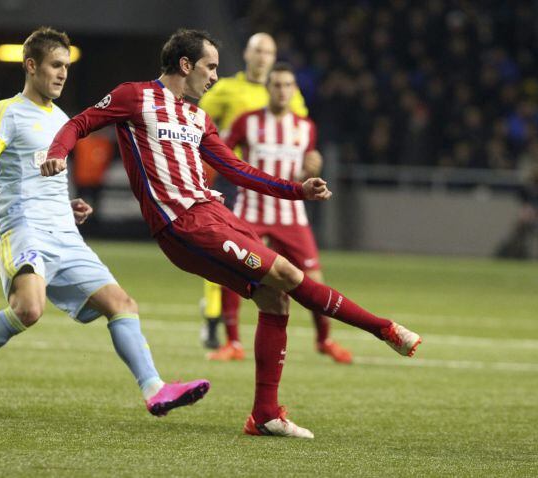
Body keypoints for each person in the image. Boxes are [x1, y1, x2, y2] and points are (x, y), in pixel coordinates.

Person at [41, 28, 421, 439]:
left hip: (216, 214)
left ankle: (265, 415)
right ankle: (383, 328)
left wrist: (296, 190)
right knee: (290, 276)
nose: (215, 76)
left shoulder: (198, 118)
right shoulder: (135, 96)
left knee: (275, 300)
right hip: (184, 224)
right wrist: (58, 153)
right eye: (210, 66)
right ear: (185, 65)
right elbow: (80, 123)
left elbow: (238, 169)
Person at [0, 27, 209, 417]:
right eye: (55, 65)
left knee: (122, 304)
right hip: (23, 229)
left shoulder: (62, 119)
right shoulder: (4, 112)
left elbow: (46, 176)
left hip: (64, 233)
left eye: (66, 66)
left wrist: (68, 204)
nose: (62, 74)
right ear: (31, 66)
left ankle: (155, 390)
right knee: (28, 309)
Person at [207, 63, 352, 364]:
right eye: (277, 85)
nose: (282, 90)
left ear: (294, 90)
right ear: (268, 88)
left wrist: (312, 167)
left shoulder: (305, 127)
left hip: (291, 216)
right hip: (251, 211)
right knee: (232, 272)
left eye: (288, 85)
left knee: (313, 277)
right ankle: (233, 342)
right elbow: (219, 152)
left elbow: (304, 167)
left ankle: (325, 340)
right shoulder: (246, 121)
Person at [197, 32, 307, 350]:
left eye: (268, 52)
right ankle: (214, 320)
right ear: (247, 54)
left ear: (273, 58)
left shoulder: (288, 93)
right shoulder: (228, 89)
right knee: (222, 250)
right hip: (234, 182)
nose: (262, 57)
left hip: (273, 184)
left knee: (271, 259)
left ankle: (272, 316)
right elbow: (199, 121)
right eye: (257, 51)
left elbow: (299, 128)